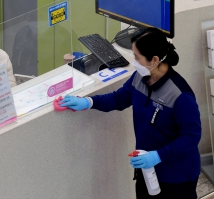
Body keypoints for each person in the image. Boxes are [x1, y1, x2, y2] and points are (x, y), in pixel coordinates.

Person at [59, 27, 201, 198]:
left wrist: (158, 156)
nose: (134, 62)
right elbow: (119, 99)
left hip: (176, 177)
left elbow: (191, 136)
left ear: (154, 60)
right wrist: (88, 102)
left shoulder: (180, 96)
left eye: (137, 57)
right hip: (146, 170)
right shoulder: (140, 79)